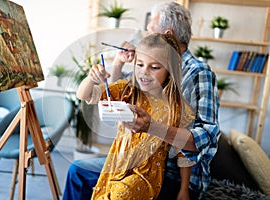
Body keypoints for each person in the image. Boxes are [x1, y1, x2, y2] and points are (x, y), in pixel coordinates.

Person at [63, 2, 220, 200]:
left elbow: (204, 138)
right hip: (128, 160)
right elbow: (114, 94)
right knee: (78, 170)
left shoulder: (197, 73)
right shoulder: (145, 74)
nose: (145, 35)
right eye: (140, 65)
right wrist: (119, 62)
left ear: (167, 35)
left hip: (168, 172)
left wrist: (152, 127)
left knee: (116, 191)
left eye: (149, 30)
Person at [77, 33, 194, 199]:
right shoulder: (128, 90)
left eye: (154, 67)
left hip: (145, 176)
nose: (144, 73)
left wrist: (184, 189)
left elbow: (185, 154)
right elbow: (85, 95)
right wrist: (90, 79)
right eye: (139, 64)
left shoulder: (178, 108)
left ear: (170, 70)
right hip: (116, 166)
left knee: (120, 195)